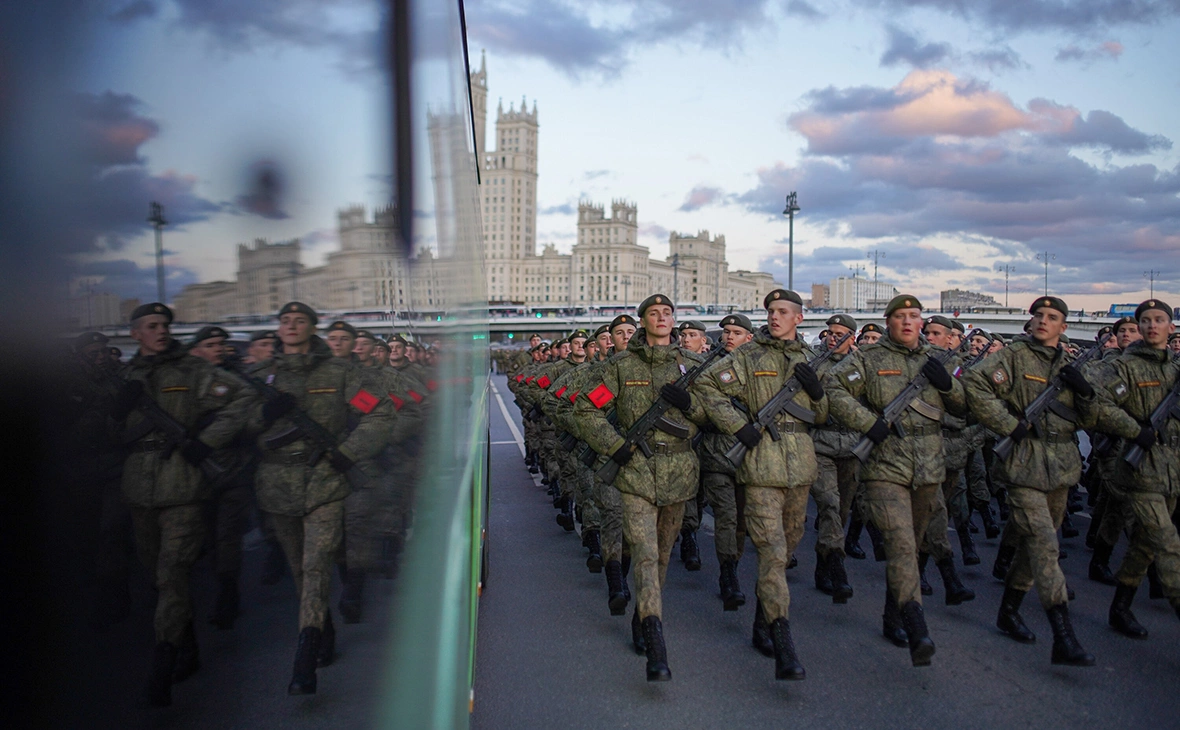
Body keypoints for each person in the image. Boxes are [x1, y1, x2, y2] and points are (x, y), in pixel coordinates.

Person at [248, 302, 393, 694]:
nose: (292, 326)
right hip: (278, 485)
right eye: (285, 321)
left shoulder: (340, 372)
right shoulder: (261, 376)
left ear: (312, 328)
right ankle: (322, 626)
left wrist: (349, 451)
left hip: (325, 481)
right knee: (298, 568)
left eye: (300, 321)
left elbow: (378, 412)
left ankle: (305, 652)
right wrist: (263, 416)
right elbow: (236, 424)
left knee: (316, 565)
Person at [114, 304, 250, 706]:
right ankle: (185, 645)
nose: (161, 331)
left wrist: (206, 442)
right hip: (139, 489)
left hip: (184, 487)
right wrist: (116, 410)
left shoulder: (191, 370)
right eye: (151, 326)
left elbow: (241, 397)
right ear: (135, 334)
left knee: (172, 573)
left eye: (165, 325)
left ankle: (163, 662)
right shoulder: (125, 376)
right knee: (158, 579)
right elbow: (106, 431)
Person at [827, 295, 967, 667]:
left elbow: (966, 406)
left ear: (922, 322)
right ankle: (917, 625)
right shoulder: (869, 359)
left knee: (914, 545)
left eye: (914, 316)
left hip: (929, 467)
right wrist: (866, 422)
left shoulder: (940, 360)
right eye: (900, 316)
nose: (907, 322)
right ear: (888, 321)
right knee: (902, 544)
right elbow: (834, 390)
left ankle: (893, 615)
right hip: (885, 465)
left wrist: (949, 386)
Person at [695, 289, 827, 680]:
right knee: (771, 550)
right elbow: (707, 386)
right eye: (770, 311)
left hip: (800, 467)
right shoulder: (748, 356)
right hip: (760, 467)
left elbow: (821, 415)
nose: (774, 317)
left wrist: (817, 392)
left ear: (798, 318)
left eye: (783, 311)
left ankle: (761, 617)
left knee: (784, 552)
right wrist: (738, 427)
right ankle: (783, 639)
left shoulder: (811, 359)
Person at [575, 295, 706, 682]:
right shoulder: (621, 367)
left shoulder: (693, 365)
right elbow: (587, 407)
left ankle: (643, 613)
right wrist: (614, 445)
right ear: (644, 321)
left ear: (673, 321)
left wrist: (691, 405)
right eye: (653, 313)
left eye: (667, 313)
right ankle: (655, 636)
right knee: (646, 555)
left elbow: (713, 414)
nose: (661, 318)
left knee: (662, 555)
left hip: (679, 474)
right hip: (635, 474)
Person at [965, 296, 1097, 666]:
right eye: (1038, 314)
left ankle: (1008, 610)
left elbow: (1091, 418)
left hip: (1061, 468)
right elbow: (974, 383)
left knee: (1034, 546)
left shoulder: (1072, 366)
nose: (1043, 320)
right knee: (1044, 544)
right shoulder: (1013, 356)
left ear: (1063, 327)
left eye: (1051, 317)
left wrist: (1085, 393)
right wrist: (1009, 424)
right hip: (1023, 465)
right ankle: (1063, 635)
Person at [1090, 299, 1180, 637]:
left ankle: (1120, 608)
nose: (1152, 325)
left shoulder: (1175, 370)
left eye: (1159, 319)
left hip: (1172, 471)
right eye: (1146, 320)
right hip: (1141, 470)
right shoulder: (1124, 366)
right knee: (1168, 544)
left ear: (1171, 327)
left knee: (1145, 544)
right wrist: (1134, 429)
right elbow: (1098, 404)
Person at [186, 325, 254, 630]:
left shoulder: (239, 380)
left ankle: (228, 593)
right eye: (211, 344)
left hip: (233, 471)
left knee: (227, 537)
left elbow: (250, 420)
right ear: (196, 350)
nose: (219, 349)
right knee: (205, 537)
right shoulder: (186, 380)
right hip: (195, 474)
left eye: (221, 344)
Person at [696, 314, 754, 613]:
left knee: (743, 519)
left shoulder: (758, 368)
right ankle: (728, 573)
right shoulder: (708, 367)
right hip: (717, 453)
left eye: (737, 332)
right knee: (727, 516)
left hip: (750, 456)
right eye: (727, 332)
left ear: (749, 338)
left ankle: (733, 561)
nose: (730, 336)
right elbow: (697, 407)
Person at [810, 314, 860, 603]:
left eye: (840, 333)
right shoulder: (814, 363)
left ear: (851, 337)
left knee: (842, 510)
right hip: (822, 444)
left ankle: (823, 562)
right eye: (830, 332)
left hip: (852, 446)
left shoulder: (861, 365)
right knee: (829, 505)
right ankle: (838, 567)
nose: (833, 337)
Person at [676, 320, 709, 571]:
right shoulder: (674, 364)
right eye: (683, 335)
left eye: (692, 335)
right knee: (685, 488)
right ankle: (689, 536)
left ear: (703, 341)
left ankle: (690, 525)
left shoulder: (712, 366)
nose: (686, 339)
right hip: (682, 437)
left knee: (700, 493)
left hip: (708, 438)